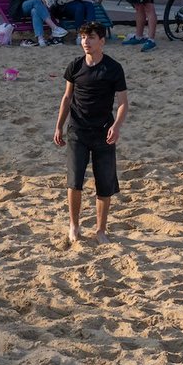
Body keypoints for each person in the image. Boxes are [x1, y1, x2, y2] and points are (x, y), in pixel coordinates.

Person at [54, 21, 129, 244]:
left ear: (102, 41)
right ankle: (74, 226)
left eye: (91, 37)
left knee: (104, 183)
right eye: (83, 37)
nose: (85, 41)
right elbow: (67, 98)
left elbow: (123, 103)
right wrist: (59, 126)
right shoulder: (75, 66)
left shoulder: (113, 68)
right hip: (77, 131)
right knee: (74, 180)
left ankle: (100, 230)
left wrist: (116, 126)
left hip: (104, 132)